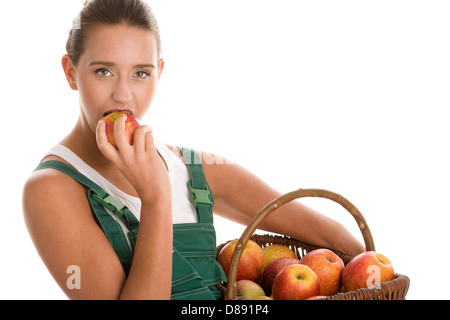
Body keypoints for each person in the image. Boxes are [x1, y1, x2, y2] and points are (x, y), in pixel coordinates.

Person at [22, 0, 364, 300]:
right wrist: (155, 198)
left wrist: (370, 274)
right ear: (71, 73)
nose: (124, 96)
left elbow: (328, 235)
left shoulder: (191, 168)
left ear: (160, 72)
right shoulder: (52, 189)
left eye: (141, 73)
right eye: (104, 71)